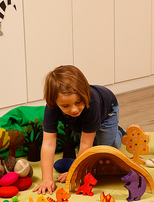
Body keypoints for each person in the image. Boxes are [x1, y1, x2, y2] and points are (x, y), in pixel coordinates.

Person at [33, 65, 123, 194]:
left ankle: (118, 132)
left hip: (107, 111)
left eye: (78, 102)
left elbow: (86, 143)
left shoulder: (92, 104)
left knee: (104, 152)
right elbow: (48, 143)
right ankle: (93, 128)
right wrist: (46, 179)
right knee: (86, 140)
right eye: (65, 105)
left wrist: (74, 171)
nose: (74, 109)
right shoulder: (51, 108)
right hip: (82, 118)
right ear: (54, 102)